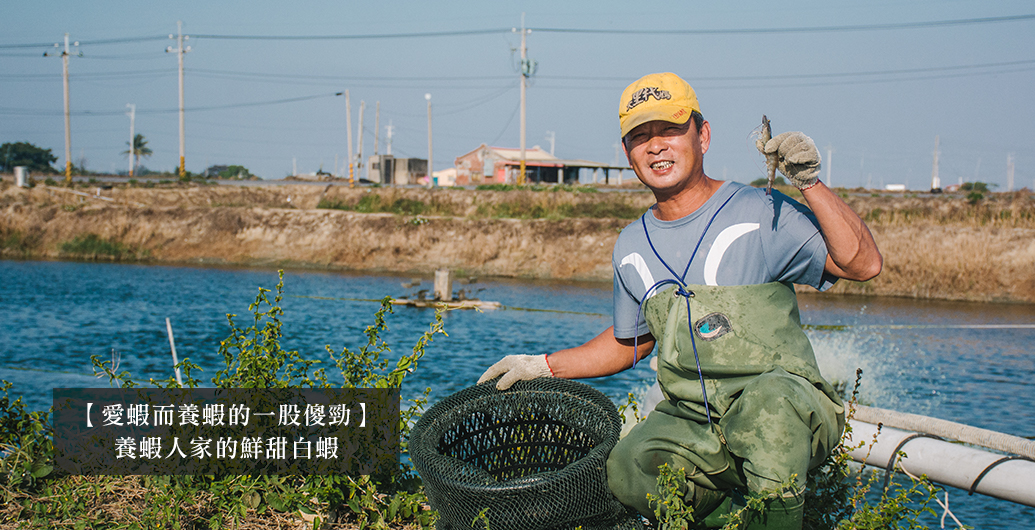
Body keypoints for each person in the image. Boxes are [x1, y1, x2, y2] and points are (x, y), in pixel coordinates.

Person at [479, 72, 882, 529]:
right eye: (640, 136)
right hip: (695, 423)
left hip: (788, 410)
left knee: (770, 409)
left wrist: (809, 181)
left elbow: (862, 265)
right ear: (628, 152)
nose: (655, 146)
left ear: (703, 135)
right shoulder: (630, 246)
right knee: (629, 466)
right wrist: (542, 365)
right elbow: (630, 341)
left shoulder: (761, 211)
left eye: (670, 130)